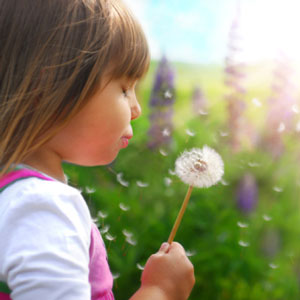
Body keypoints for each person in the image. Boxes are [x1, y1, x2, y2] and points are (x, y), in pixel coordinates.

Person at [0, 0, 195, 300]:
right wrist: (161, 291)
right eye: (124, 88)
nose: (137, 109)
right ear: (49, 87)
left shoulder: (15, 197)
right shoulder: (42, 208)